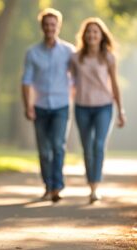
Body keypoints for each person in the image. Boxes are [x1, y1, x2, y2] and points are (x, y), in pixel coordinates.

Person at [21, 8, 74, 202]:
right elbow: (26, 81)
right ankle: (48, 185)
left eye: (53, 24)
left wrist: (74, 93)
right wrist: (28, 105)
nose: (50, 28)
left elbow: (77, 75)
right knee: (44, 150)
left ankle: (56, 187)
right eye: (47, 24)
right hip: (40, 106)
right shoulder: (32, 52)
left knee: (58, 146)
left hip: (61, 105)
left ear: (58, 27)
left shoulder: (69, 51)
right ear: (42, 27)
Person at [70, 17, 126, 204]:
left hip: (104, 106)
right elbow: (69, 81)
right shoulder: (76, 57)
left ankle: (95, 187)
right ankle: (90, 183)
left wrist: (121, 110)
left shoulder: (109, 57)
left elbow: (115, 84)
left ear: (101, 36)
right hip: (82, 107)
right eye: (89, 31)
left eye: (95, 31)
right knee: (87, 147)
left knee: (99, 145)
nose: (92, 34)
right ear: (84, 35)